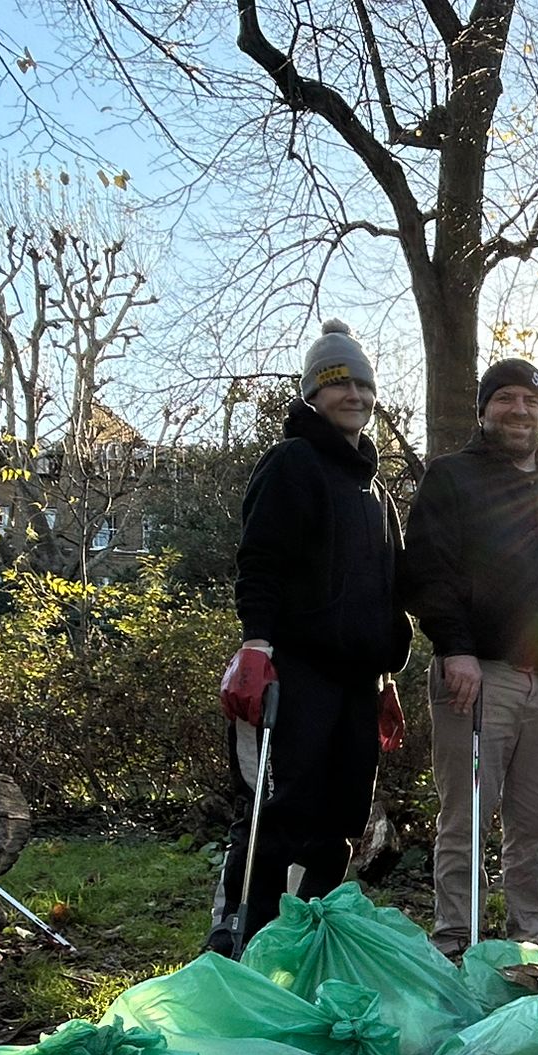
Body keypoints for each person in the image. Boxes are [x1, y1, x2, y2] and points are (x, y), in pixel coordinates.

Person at [209, 318, 411, 953]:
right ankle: (241, 938)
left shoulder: (377, 494)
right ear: (313, 393)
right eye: (339, 383)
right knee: (278, 809)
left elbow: (388, 592)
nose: (354, 395)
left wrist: (387, 679)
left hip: (359, 682)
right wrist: (256, 645)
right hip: (295, 669)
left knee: (342, 817)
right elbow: (260, 560)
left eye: (363, 384)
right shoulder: (291, 463)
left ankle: (303, 944)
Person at [401, 358, 538, 958]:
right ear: (484, 411)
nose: (519, 410)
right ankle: (459, 940)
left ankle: (532, 942)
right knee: (468, 819)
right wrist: (456, 647)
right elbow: (428, 570)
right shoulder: (452, 477)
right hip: (476, 675)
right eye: (506, 399)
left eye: (532, 401)